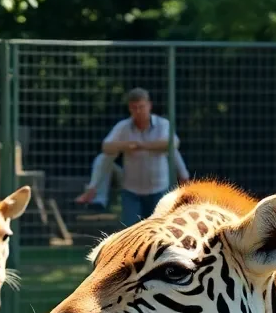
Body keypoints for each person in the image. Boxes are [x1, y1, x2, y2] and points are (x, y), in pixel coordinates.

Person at [75, 87, 190, 226]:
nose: (138, 111)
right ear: (129, 109)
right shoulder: (123, 127)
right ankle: (95, 191)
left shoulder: (162, 124)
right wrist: (125, 146)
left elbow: (173, 144)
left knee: (158, 233)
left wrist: (141, 146)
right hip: (131, 191)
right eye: (134, 108)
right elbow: (106, 147)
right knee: (130, 233)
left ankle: (185, 178)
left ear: (149, 105)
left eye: (141, 107)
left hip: (159, 190)